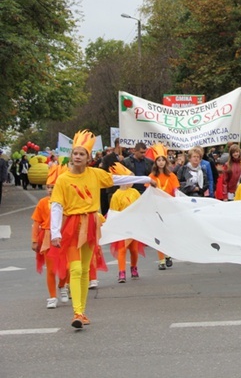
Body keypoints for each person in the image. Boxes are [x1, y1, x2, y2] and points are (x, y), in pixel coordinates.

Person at [49, 130, 155, 329]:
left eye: (82, 154)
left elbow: (117, 180)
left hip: (90, 223)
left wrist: (144, 180)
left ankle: (81, 312)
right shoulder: (63, 180)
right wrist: (55, 232)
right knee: (76, 268)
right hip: (72, 225)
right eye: (76, 153)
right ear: (71, 156)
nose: (78, 156)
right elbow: (56, 206)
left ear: (88, 158)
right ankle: (77, 312)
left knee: (86, 268)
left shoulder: (95, 174)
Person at [32, 164, 68, 308]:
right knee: (51, 269)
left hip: (64, 236)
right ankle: (52, 296)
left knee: (67, 267)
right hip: (47, 237)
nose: (50, 190)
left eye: (53, 187)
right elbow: (36, 222)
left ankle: (62, 285)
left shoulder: (66, 201)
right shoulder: (42, 203)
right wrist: (35, 240)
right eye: (48, 187)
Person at [108, 163, 142, 283]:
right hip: (122, 226)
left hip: (133, 225)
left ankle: (134, 267)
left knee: (134, 249)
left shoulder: (135, 192)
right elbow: (114, 212)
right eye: (129, 178)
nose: (131, 181)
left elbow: (140, 205)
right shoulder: (116, 196)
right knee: (122, 249)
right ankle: (121, 272)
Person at [148, 143, 180, 269]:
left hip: (168, 208)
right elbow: (149, 192)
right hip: (157, 208)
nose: (161, 163)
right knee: (159, 233)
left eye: (163, 160)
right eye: (158, 160)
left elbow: (176, 191)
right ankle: (161, 260)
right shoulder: (152, 176)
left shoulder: (171, 176)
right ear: (155, 162)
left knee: (167, 232)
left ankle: (167, 254)